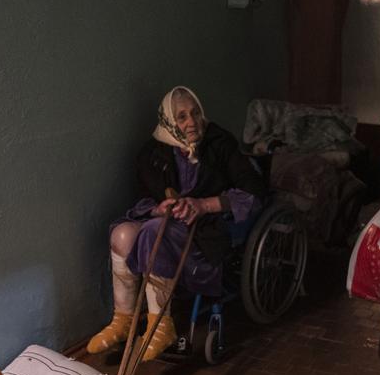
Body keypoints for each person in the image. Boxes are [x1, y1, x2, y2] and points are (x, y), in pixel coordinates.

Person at [87, 86, 266, 361]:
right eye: (181, 117)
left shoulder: (219, 142)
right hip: (167, 224)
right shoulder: (153, 153)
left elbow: (254, 190)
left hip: (207, 231)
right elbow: (146, 197)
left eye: (195, 113)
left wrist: (204, 204)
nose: (192, 122)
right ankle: (123, 320)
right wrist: (160, 207)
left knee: (152, 232)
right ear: (169, 121)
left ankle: (160, 325)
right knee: (122, 233)